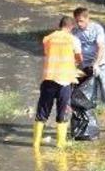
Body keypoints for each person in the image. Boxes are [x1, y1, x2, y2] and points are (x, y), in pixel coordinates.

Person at [33, 16, 83, 150]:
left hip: (48, 79)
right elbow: (79, 58)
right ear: (71, 27)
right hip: (64, 81)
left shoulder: (48, 38)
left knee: (42, 112)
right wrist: (75, 63)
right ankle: (60, 144)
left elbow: (49, 53)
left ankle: (36, 144)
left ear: (60, 25)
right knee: (62, 112)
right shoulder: (73, 39)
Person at [73, 7, 105, 135]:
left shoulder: (97, 29)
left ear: (88, 19)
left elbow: (101, 47)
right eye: (77, 21)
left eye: (81, 21)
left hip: (101, 66)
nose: (79, 24)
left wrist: (96, 64)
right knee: (86, 98)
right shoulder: (75, 31)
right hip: (85, 68)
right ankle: (89, 126)